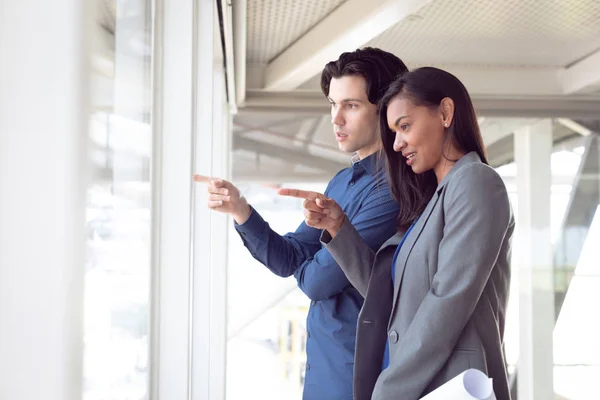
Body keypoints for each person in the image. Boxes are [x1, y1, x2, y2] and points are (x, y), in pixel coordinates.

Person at [280, 67, 514, 400]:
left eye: (405, 126)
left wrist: (389, 390)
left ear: (446, 113)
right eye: (392, 131)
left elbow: (447, 304)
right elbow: (390, 296)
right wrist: (338, 228)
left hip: (447, 385)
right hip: (418, 383)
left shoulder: (476, 182)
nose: (397, 142)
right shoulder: (432, 199)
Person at [197, 47, 408, 400]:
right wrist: (240, 209)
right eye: (332, 104)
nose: (335, 119)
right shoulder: (342, 181)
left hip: (358, 378)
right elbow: (289, 258)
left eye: (351, 105)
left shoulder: (392, 190)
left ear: (386, 110)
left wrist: (308, 262)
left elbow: (315, 283)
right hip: (321, 373)